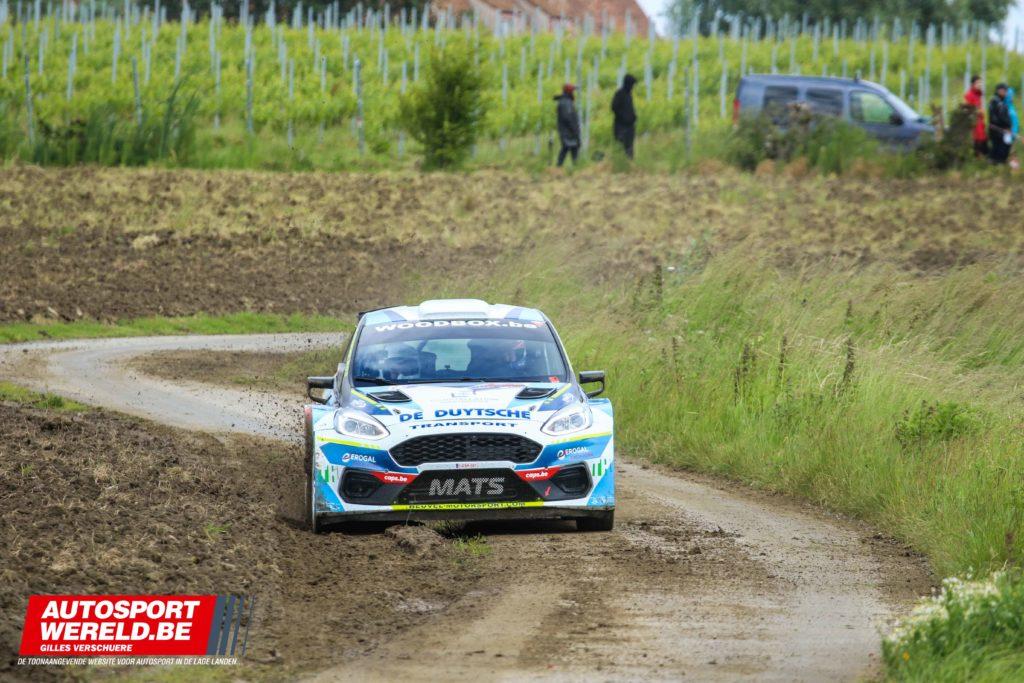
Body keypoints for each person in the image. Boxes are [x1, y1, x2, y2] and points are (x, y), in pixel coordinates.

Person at [554, 83, 581, 166]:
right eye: (573, 91)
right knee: (569, 147)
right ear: (569, 92)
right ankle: (560, 166)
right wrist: (575, 130)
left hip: (566, 130)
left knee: (569, 148)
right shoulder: (566, 103)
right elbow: (569, 118)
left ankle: (561, 166)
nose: (574, 93)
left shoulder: (565, 101)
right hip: (568, 131)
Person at [611, 74, 637, 159]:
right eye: (632, 84)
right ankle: (621, 163)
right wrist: (624, 117)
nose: (632, 87)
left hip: (629, 126)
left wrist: (633, 117)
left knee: (629, 148)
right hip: (621, 126)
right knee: (621, 147)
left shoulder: (628, 94)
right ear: (627, 84)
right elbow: (614, 108)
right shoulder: (620, 94)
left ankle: (629, 163)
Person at [988, 83, 1013, 164]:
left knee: (997, 147)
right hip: (999, 130)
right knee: (1001, 147)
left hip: (996, 129)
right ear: (999, 91)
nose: (1006, 93)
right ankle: (998, 163)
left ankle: (995, 162)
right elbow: (1001, 117)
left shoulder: (996, 101)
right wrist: (1007, 126)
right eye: (1004, 91)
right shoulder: (998, 102)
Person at [964, 75, 987, 158]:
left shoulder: (978, 94)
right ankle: (976, 158)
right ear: (973, 84)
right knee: (976, 140)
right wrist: (978, 111)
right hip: (974, 122)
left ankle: (980, 157)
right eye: (978, 83)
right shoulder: (969, 95)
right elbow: (967, 109)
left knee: (982, 140)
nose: (980, 84)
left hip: (980, 121)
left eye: (980, 82)